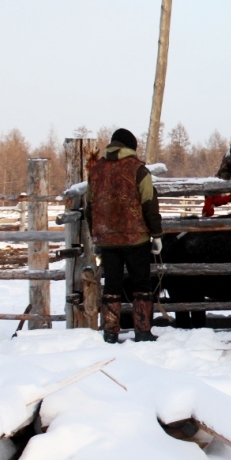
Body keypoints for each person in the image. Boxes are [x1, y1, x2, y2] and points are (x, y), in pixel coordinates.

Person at [86, 128, 163, 343]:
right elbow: (149, 202)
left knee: (112, 285)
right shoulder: (138, 169)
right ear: (131, 147)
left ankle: (110, 331)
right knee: (142, 285)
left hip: (107, 239)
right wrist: (156, 234)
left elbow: (89, 207)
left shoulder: (96, 170)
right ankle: (143, 330)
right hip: (135, 237)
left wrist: (95, 236)